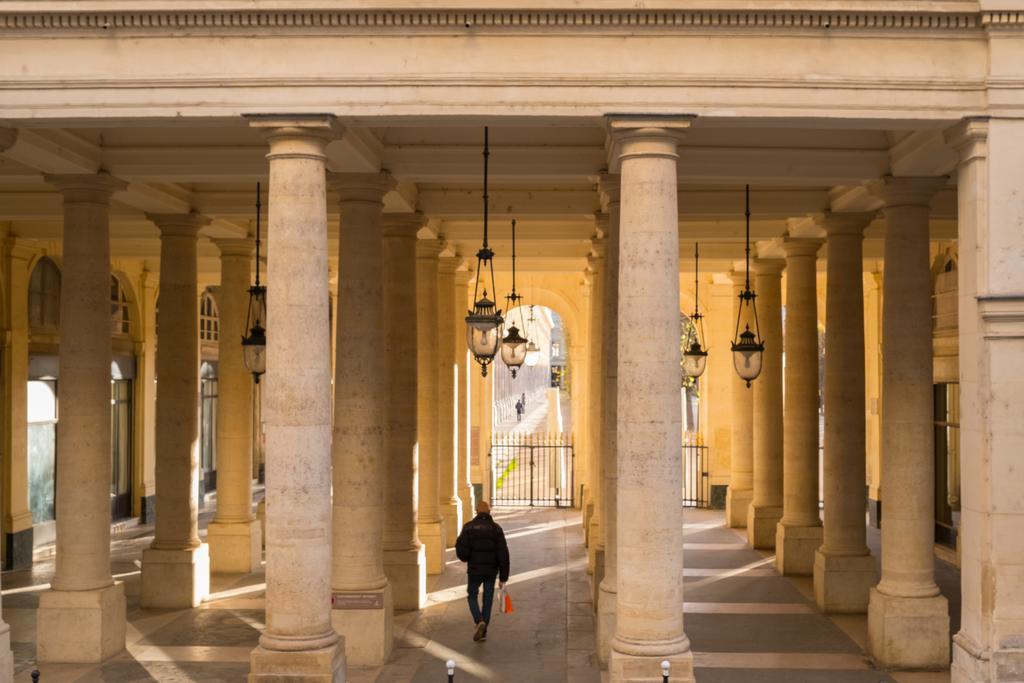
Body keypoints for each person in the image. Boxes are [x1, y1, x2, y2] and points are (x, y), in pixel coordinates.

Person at [455, 500, 510, 642]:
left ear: (476, 512)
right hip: (491, 571)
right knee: (488, 598)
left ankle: (479, 620)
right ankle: (484, 628)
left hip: (474, 570)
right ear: (489, 512)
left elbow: (461, 548)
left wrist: (465, 558)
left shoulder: (468, 528)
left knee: (472, 595)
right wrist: (503, 577)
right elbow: (503, 554)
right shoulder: (496, 529)